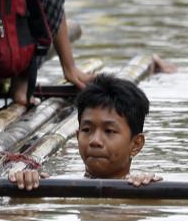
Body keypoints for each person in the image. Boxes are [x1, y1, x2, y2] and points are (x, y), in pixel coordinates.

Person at [9, 74, 161, 189]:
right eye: (87, 130)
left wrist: (150, 188)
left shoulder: (146, 187)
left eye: (109, 131)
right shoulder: (54, 187)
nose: (95, 141)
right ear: (77, 136)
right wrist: (26, 186)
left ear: (136, 144)